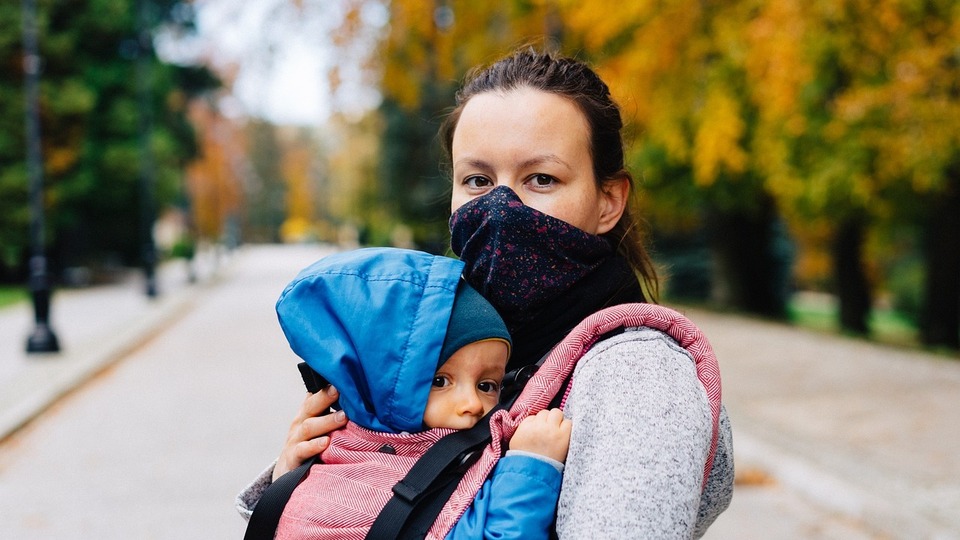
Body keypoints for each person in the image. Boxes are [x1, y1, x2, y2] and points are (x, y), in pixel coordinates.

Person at [239, 47, 734, 538]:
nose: (500, 207)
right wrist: (302, 478)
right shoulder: (441, 335)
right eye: (478, 180)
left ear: (608, 202)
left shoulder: (636, 375)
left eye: (541, 178)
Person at [251, 247, 572, 539]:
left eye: (487, 386)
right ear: (378, 385)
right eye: (440, 381)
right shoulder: (332, 491)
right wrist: (532, 467)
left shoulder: (466, 449)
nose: (473, 404)